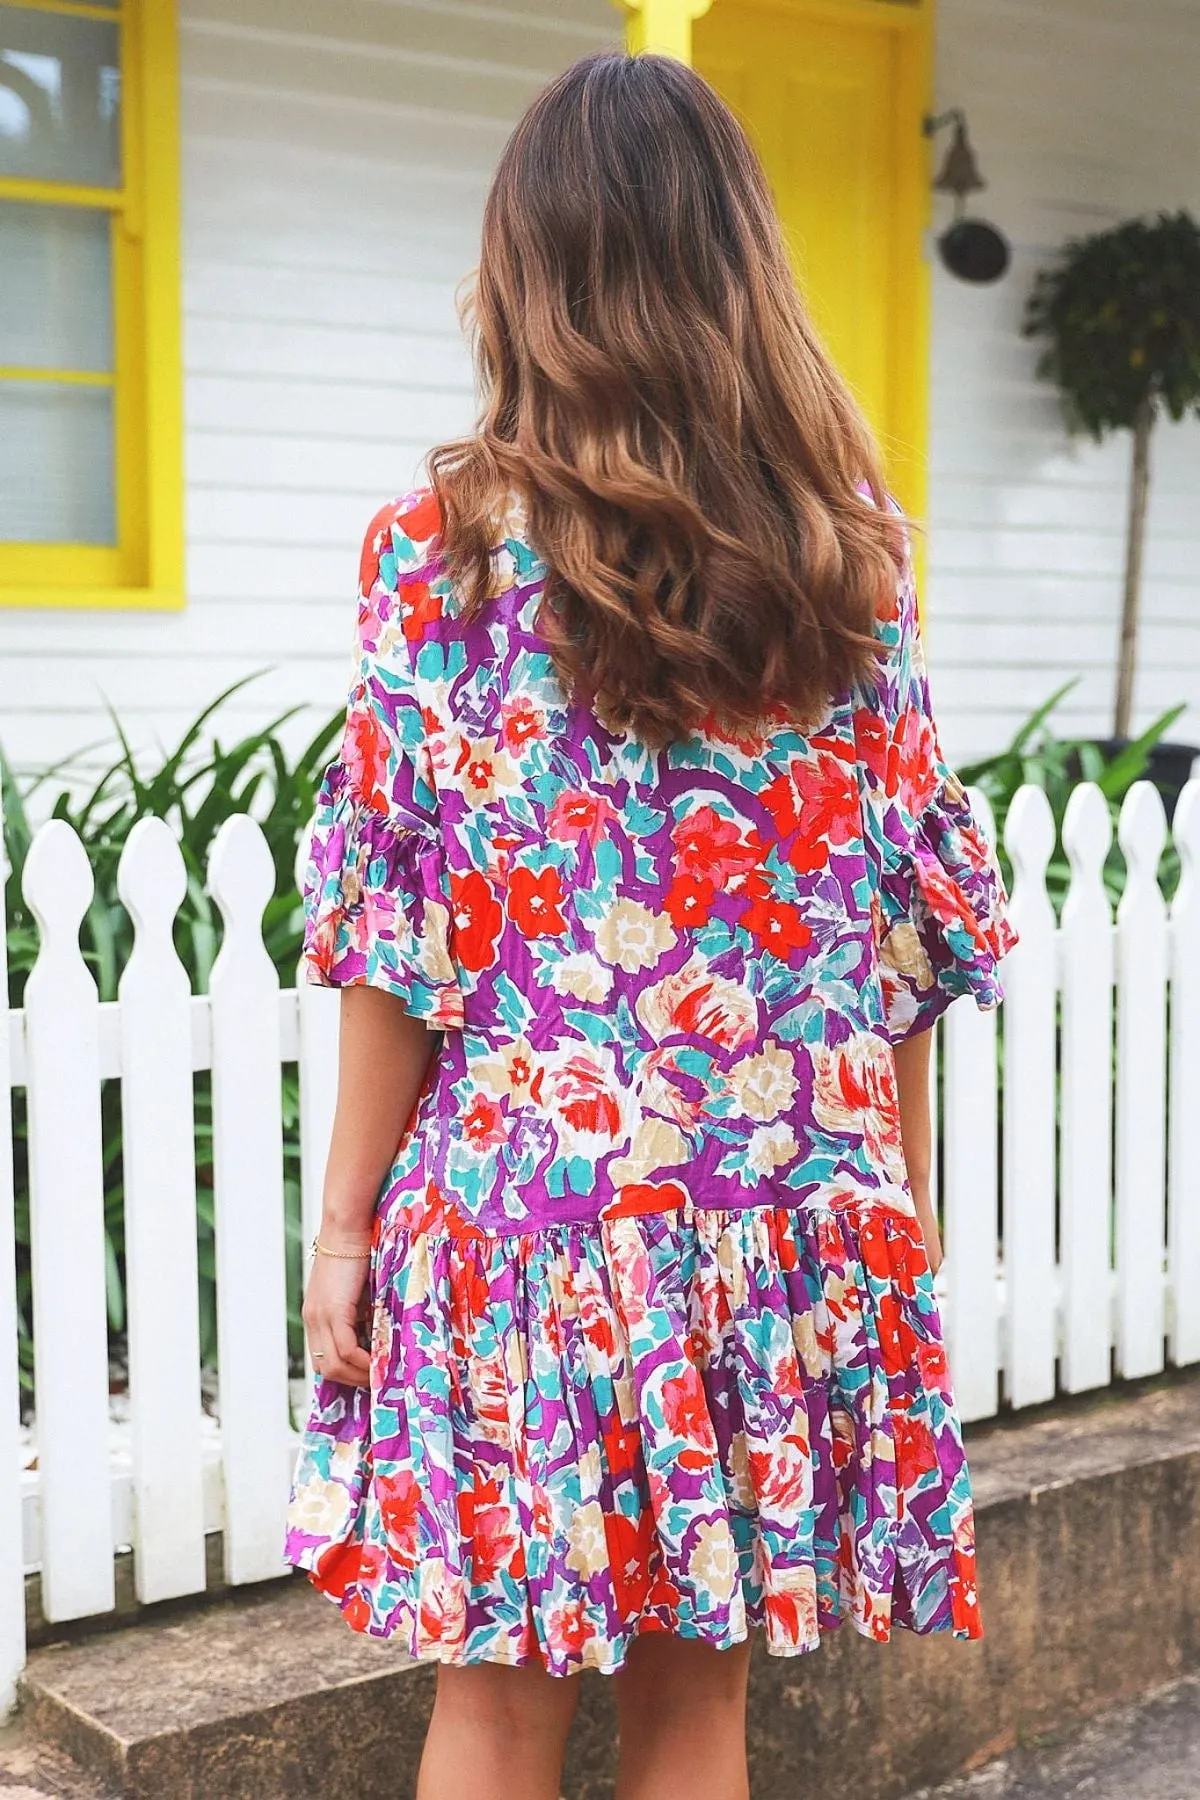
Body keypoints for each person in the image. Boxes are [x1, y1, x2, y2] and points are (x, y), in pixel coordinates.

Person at [285, 48, 1015, 1800]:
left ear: (527, 272)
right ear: (739, 270)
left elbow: (405, 928)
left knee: (497, 1705)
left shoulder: (442, 559)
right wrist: (883, 1218)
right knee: (699, 1714)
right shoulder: (853, 565)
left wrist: (343, 1227)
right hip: (775, 1213)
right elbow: (903, 946)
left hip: (528, 1220)